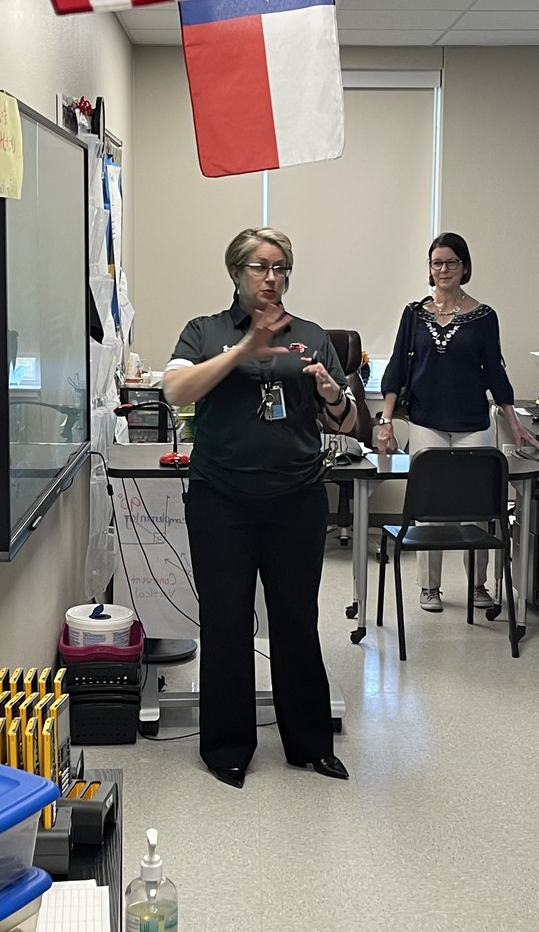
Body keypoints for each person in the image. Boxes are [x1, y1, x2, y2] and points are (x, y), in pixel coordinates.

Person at [163, 227, 355, 789]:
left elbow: (347, 421)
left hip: (297, 498)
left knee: (296, 618)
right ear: (236, 272)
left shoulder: (312, 336)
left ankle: (310, 744)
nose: (272, 278)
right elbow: (176, 391)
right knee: (225, 621)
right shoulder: (205, 331)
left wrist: (331, 394)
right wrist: (242, 352)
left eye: (281, 268)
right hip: (221, 500)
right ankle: (227, 748)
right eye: (260, 267)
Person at [377, 231, 539, 613]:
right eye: (437, 262)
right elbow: (396, 370)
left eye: (452, 262)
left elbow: (496, 374)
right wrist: (385, 422)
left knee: (477, 509)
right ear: (429, 268)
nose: (444, 269)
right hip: (425, 421)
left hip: (472, 423)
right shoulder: (414, 315)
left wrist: (515, 424)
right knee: (428, 507)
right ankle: (429, 587)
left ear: (464, 267)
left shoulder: (484, 317)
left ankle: (478, 585)